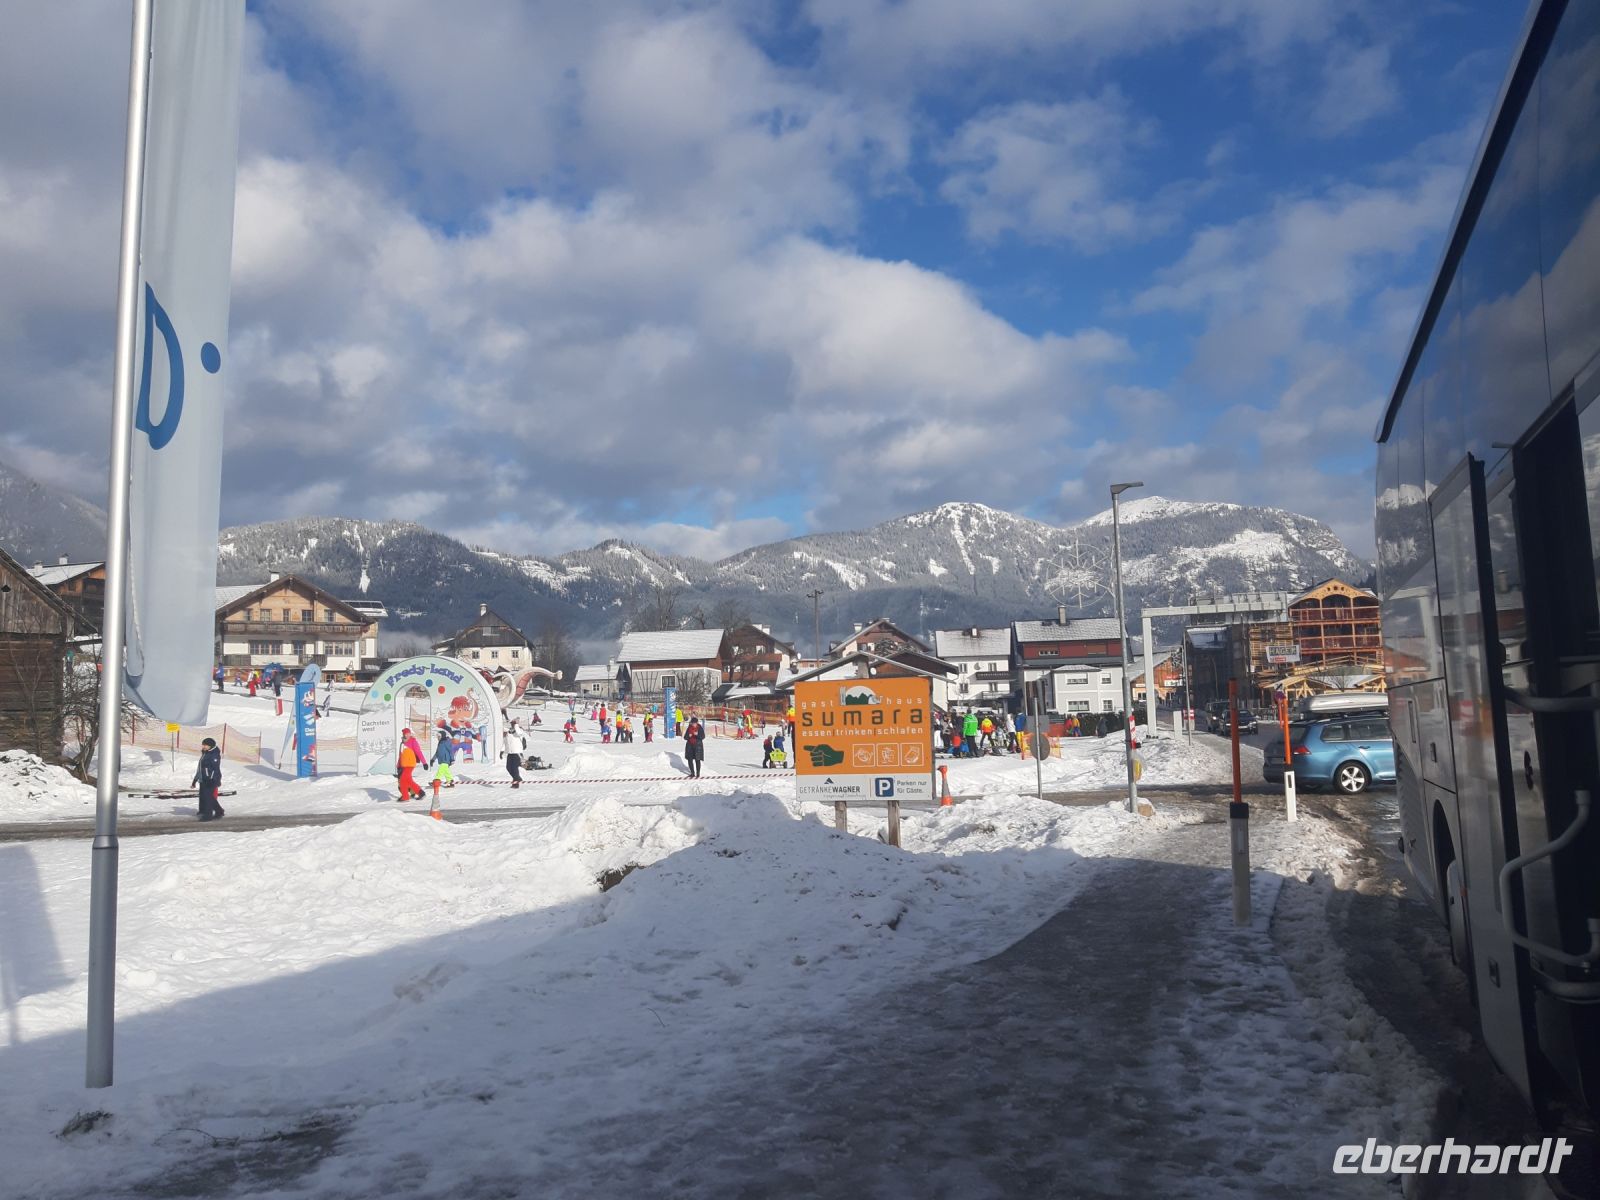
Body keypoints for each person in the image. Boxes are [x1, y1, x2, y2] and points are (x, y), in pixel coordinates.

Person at [192, 736, 224, 821]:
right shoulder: (205, 753)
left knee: (208, 797)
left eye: (205, 745)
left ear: (210, 746)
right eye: (203, 745)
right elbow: (200, 768)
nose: (203, 747)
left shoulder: (214, 754)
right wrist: (195, 780)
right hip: (204, 778)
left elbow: (215, 769)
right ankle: (216, 811)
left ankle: (208, 815)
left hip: (211, 779)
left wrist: (211, 779)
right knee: (204, 796)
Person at [396, 728, 425, 801]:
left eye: (408, 733)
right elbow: (401, 755)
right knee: (408, 780)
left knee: (403, 780)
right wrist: (398, 765)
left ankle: (405, 796)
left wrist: (424, 762)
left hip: (410, 764)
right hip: (403, 765)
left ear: (410, 734)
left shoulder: (413, 741)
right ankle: (420, 793)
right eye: (405, 734)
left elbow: (418, 752)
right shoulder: (402, 743)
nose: (407, 735)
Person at [504, 721, 526, 789]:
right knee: (508, 768)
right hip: (510, 752)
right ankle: (517, 779)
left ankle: (516, 783)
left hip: (517, 752)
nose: (512, 725)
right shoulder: (508, 732)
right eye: (511, 724)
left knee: (514, 768)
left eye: (513, 724)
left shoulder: (519, 731)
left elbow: (519, 733)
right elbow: (505, 742)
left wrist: (516, 725)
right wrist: (502, 751)